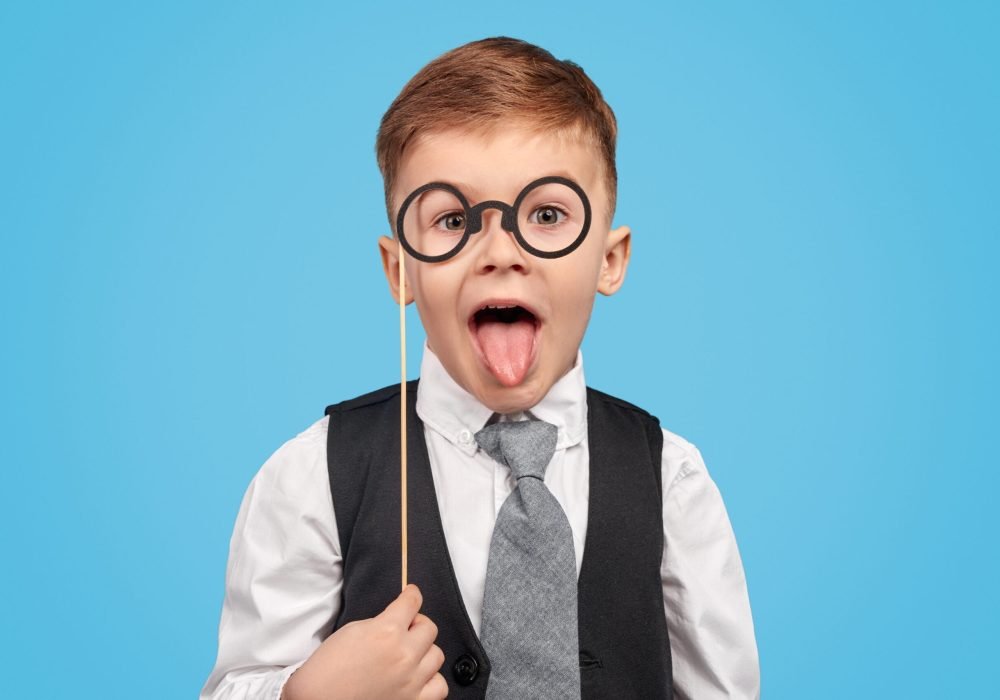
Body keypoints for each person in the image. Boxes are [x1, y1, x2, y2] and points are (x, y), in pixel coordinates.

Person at [201, 37, 759, 700]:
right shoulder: (311, 478)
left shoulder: (673, 479)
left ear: (610, 259)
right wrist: (305, 697)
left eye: (547, 215)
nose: (500, 251)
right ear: (400, 269)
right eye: (453, 219)